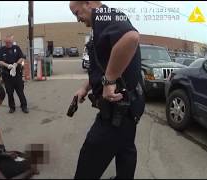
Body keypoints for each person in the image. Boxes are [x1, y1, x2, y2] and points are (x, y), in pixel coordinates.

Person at [69, 1, 145, 179]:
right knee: (125, 152)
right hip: (128, 110)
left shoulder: (103, 16)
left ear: (88, 4)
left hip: (115, 113)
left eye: (76, 13)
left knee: (87, 165)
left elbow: (131, 37)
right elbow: (101, 65)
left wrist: (109, 79)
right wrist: (85, 87)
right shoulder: (102, 22)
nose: (77, 19)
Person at [0, 35, 29, 114]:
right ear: (5, 42)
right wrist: (7, 65)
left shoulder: (16, 48)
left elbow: (21, 57)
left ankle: (24, 106)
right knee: (9, 92)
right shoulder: (2, 50)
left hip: (17, 74)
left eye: (10, 42)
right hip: (7, 75)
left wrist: (15, 64)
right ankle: (12, 107)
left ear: (12, 41)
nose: (9, 44)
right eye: (7, 42)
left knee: (20, 91)